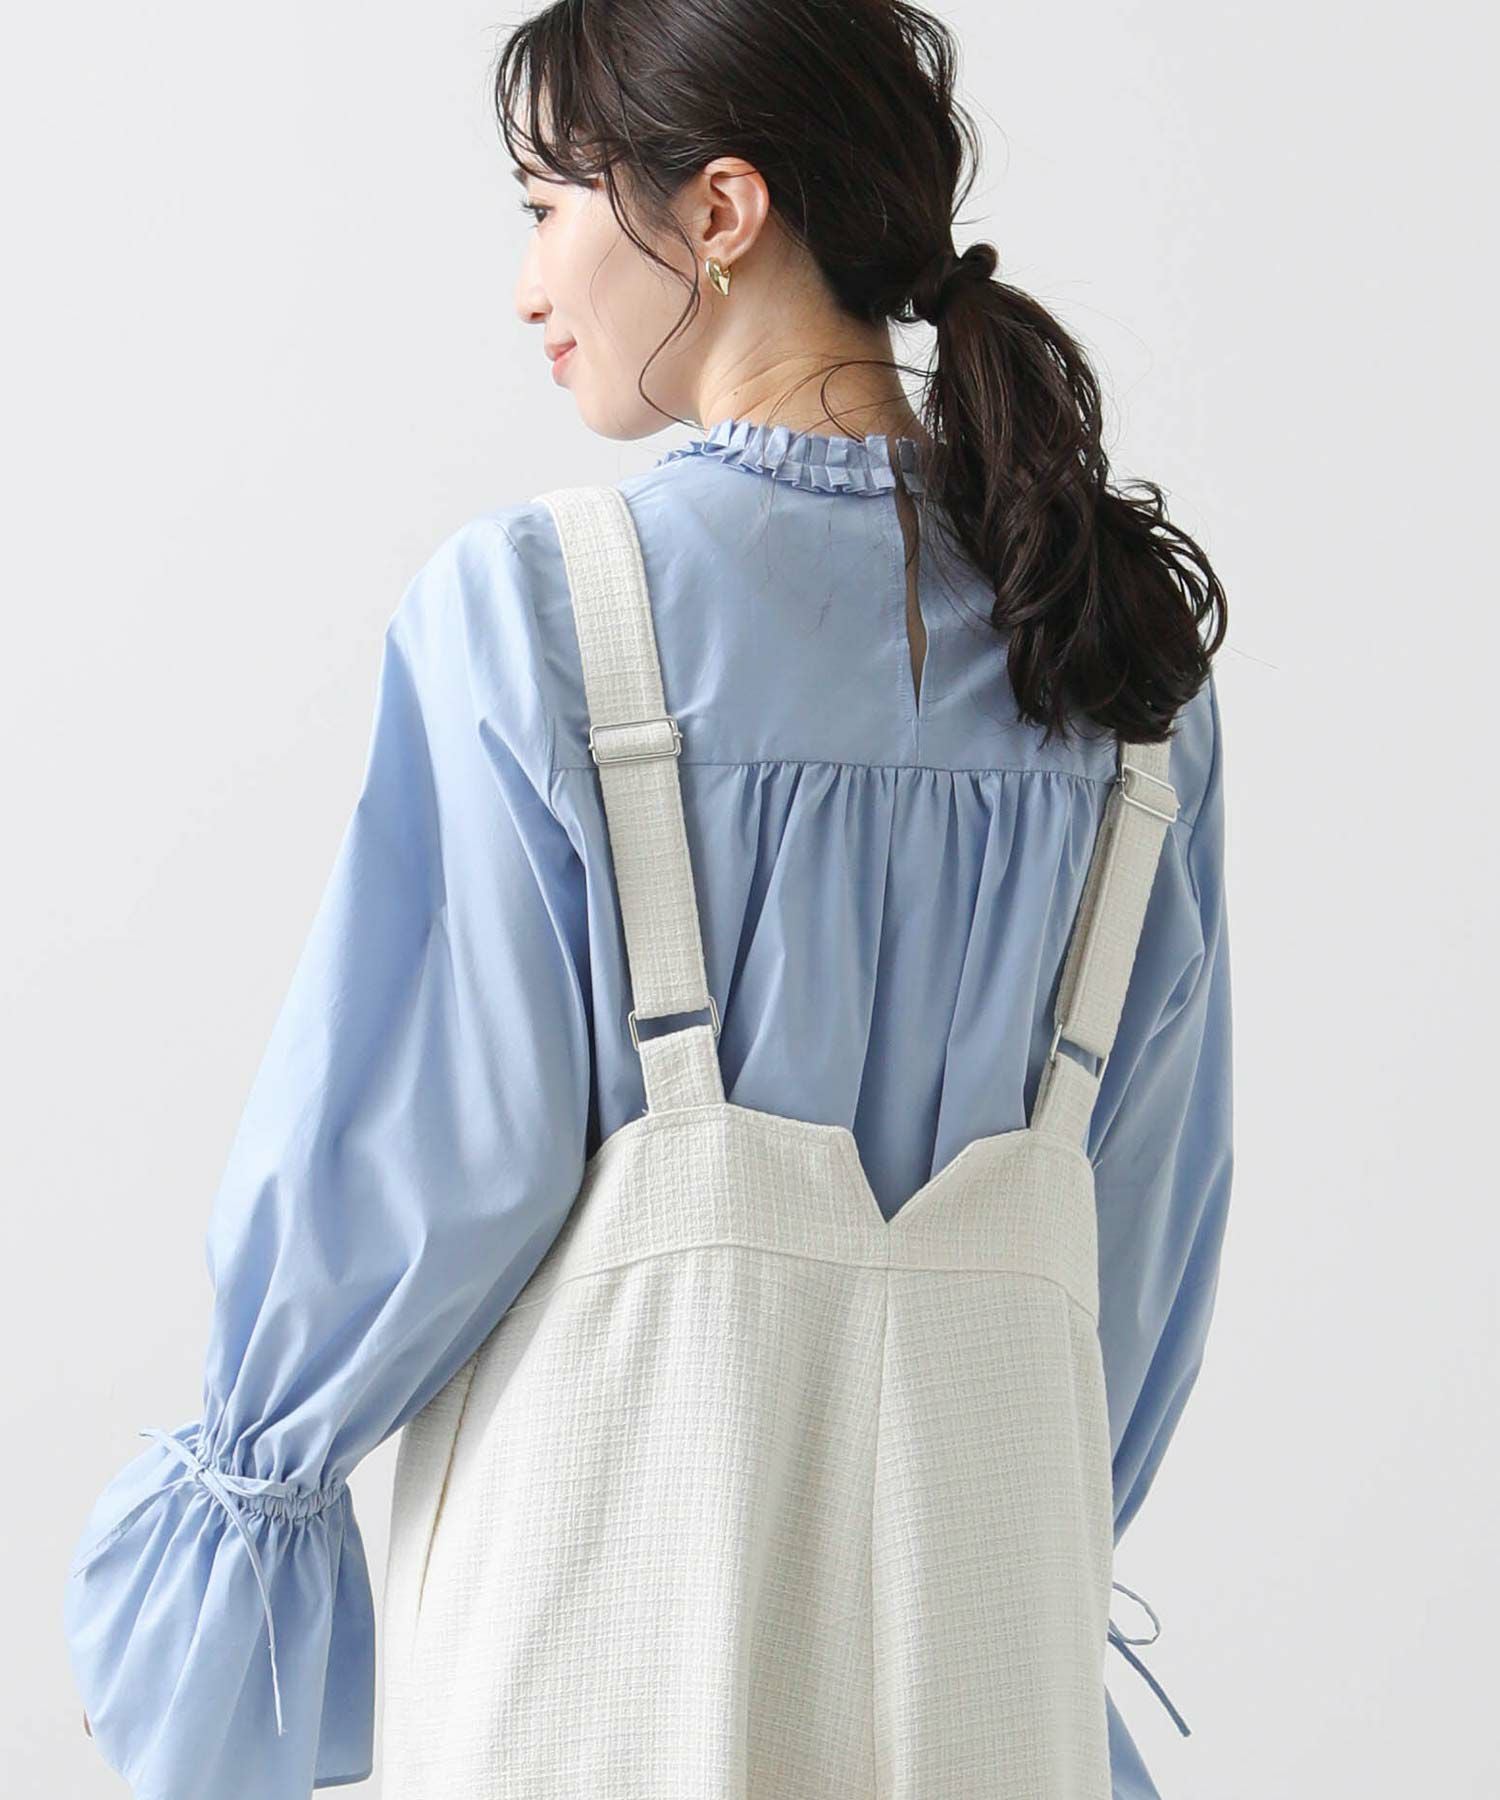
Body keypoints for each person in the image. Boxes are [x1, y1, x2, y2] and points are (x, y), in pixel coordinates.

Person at [64, 2, 1232, 1795]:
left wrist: (226, 1556)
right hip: (985, 1662)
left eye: (547, 206)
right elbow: (1135, 1257)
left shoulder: (546, 616)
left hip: (597, 1669)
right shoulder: (1123, 673)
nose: (530, 285)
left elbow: (410, 1170)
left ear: (721, 210)